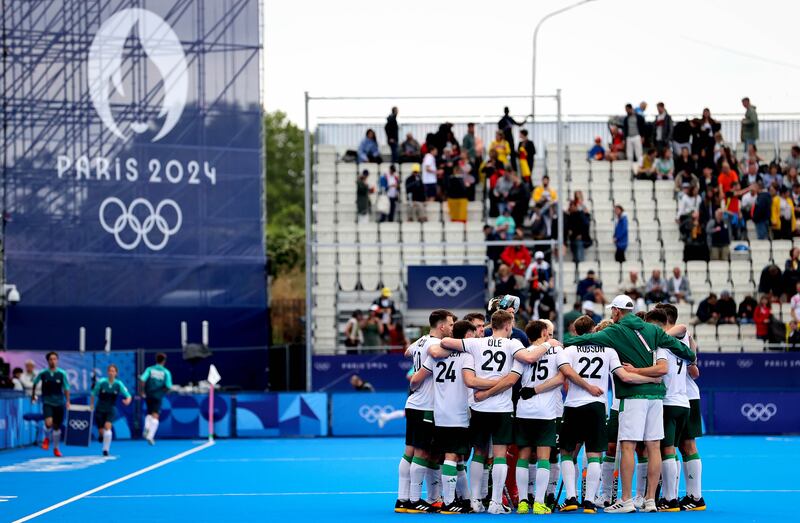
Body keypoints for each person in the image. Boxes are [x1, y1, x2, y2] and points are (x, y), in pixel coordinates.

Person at [563, 295, 695, 514]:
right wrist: (692, 357)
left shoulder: (614, 331)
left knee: (628, 447)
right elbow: (680, 348)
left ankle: (625, 500)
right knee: (654, 447)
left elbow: (582, 340)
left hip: (633, 397)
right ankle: (650, 500)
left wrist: (563, 342)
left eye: (612, 311)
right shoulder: (652, 330)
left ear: (616, 311)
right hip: (656, 398)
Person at [430, 311, 551, 514]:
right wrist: (549, 344)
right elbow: (530, 358)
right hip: (501, 408)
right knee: (500, 455)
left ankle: (476, 501)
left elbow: (446, 343)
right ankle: (495, 502)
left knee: (478, 453)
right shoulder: (512, 344)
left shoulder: (477, 342)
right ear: (507, 325)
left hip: (479, 408)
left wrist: (483, 393)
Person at [556, 315, 662, 513]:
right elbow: (625, 376)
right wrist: (651, 380)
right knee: (595, 454)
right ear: (595, 332)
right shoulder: (608, 351)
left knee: (567, 452)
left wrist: (585, 386)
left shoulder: (569, 350)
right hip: (598, 406)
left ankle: (571, 497)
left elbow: (566, 374)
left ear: (576, 332)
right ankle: (589, 502)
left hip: (573, 405)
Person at [408, 320, 492, 514]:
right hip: (459, 413)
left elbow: (415, 379)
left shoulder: (435, 356)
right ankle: (449, 502)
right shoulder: (467, 356)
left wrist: (418, 393)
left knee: (445, 456)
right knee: (453, 456)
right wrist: (498, 382)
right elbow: (470, 381)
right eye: (472, 334)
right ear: (466, 337)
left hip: (439, 413)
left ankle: (454, 499)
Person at [396, 309, 456, 514]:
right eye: (450, 324)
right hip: (425, 406)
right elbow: (434, 354)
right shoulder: (434, 344)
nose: (452, 327)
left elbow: (407, 352)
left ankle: (402, 499)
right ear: (441, 326)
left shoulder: (421, 340)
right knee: (422, 452)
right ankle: (413, 500)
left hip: (414, 404)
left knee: (409, 452)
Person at [31, 352, 70, 457]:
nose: (53, 361)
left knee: (57, 427)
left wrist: (68, 401)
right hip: (47, 401)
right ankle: (46, 439)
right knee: (48, 423)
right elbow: (35, 383)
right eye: (51, 359)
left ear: (57, 360)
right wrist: (33, 396)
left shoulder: (62, 373)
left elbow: (66, 388)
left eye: (54, 359)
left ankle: (56, 448)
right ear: (48, 361)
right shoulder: (43, 373)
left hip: (59, 402)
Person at [91, 364, 133, 456]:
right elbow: (93, 393)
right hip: (100, 408)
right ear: (107, 372)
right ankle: (101, 435)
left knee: (108, 427)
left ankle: (105, 450)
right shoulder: (101, 382)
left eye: (113, 371)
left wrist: (128, 400)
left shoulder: (118, 384)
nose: (111, 373)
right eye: (110, 371)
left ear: (116, 373)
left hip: (111, 408)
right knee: (101, 431)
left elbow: (128, 395)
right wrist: (91, 405)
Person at [140, 353, 173, 445]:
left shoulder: (149, 369)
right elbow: (168, 386)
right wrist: (163, 392)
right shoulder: (166, 372)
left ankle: (146, 427)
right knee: (155, 415)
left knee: (150, 413)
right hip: (158, 396)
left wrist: (142, 391)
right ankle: (150, 436)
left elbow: (142, 379)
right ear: (164, 361)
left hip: (148, 394)